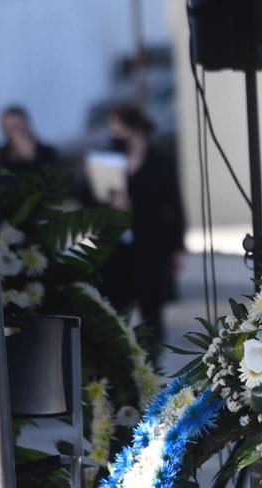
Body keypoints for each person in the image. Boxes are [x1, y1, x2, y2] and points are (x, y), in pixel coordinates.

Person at [101, 104, 186, 349]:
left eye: (120, 127)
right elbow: (91, 195)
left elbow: (175, 204)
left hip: (151, 241)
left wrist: (178, 248)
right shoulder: (111, 158)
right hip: (119, 244)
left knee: (152, 305)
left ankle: (152, 353)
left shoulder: (159, 160)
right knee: (117, 302)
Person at [0, 105, 59, 177]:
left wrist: (31, 159)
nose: (15, 133)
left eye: (18, 127)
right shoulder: (0, 158)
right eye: (11, 129)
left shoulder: (47, 153)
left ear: (26, 125)